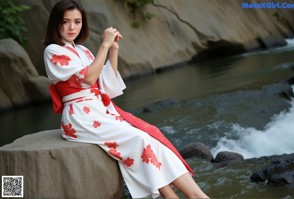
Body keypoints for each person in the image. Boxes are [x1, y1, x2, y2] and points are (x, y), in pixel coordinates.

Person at [43, 0, 209, 198]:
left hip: (99, 109)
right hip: (80, 116)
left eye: (77, 22)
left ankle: (193, 196)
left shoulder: (83, 51)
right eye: (65, 21)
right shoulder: (52, 51)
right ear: (55, 23)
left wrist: (113, 49)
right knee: (139, 139)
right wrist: (104, 45)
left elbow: (105, 83)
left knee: (152, 137)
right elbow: (87, 79)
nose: (72, 27)